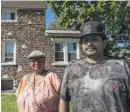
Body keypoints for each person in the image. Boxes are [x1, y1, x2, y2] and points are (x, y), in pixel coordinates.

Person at [59, 21, 130, 112]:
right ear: (81, 46)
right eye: (86, 40)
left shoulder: (123, 66)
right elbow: (64, 99)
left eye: (94, 39)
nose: (89, 43)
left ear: (104, 43)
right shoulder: (71, 68)